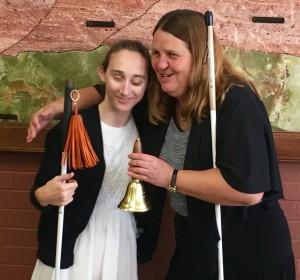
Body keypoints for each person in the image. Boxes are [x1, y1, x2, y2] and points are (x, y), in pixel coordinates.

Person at [27, 9, 295, 280]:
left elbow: (247, 191)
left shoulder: (234, 101)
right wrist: (58, 107)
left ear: (201, 56)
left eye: (172, 55)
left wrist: (170, 177)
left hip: (246, 248)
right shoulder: (165, 98)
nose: (160, 64)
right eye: (156, 53)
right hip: (193, 241)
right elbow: (110, 89)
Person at [29, 39, 151, 280]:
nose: (126, 90)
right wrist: (47, 194)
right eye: (117, 77)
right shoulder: (71, 129)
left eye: (137, 81)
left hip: (122, 237)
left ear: (147, 84)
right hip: (74, 240)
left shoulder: (148, 128)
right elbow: (37, 194)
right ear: (102, 73)